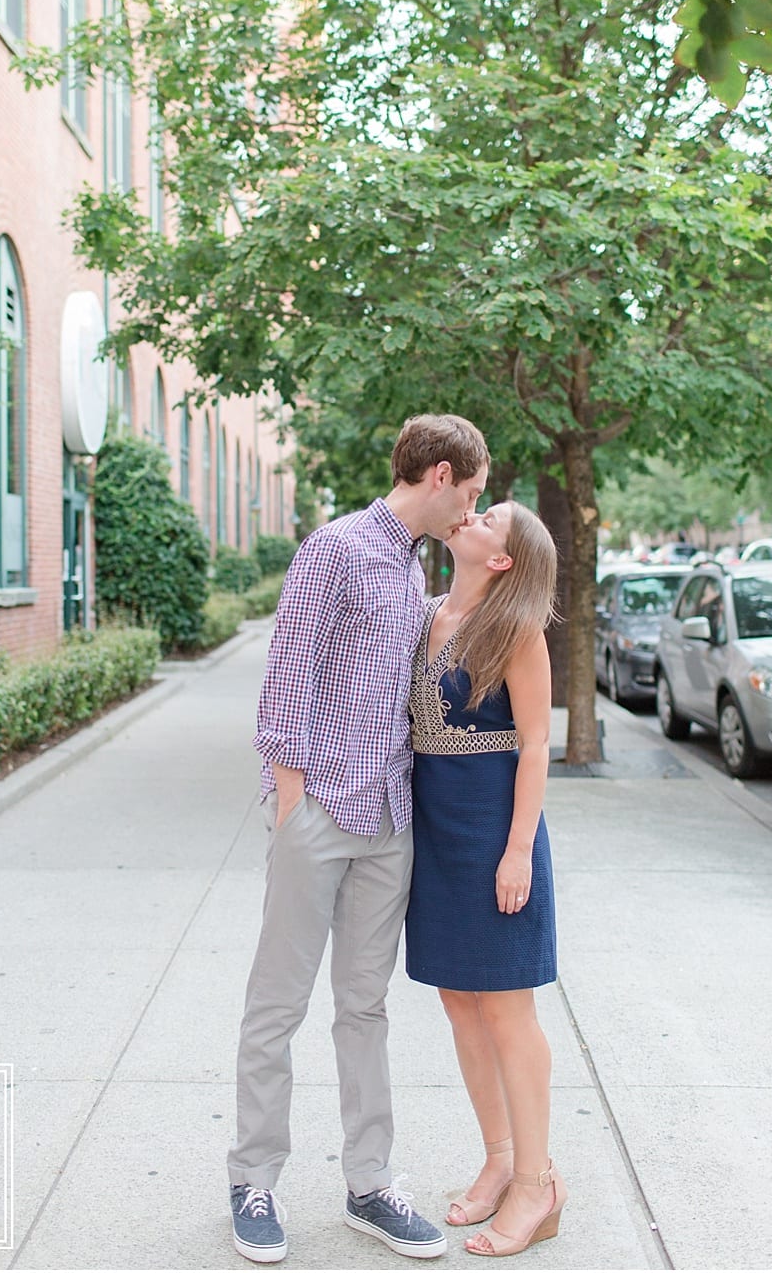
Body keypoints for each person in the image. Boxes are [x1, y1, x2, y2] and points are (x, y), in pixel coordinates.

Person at [228, 414, 488, 1265]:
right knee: (278, 1005)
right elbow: (288, 668)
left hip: (389, 819)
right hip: (320, 810)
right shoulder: (336, 547)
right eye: (474, 493)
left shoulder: (413, 563)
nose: (472, 509)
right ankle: (255, 1178)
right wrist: (291, 796)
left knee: (365, 1008)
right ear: (443, 474)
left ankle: (368, 1185)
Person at [406, 501, 566, 1257]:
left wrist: (517, 851)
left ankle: (538, 1185)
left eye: (488, 518)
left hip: (493, 828)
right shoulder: (427, 610)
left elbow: (537, 744)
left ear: (500, 559)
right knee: (459, 1001)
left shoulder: (516, 630)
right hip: (435, 829)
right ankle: (500, 1159)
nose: (470, 514)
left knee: (507, 1008)